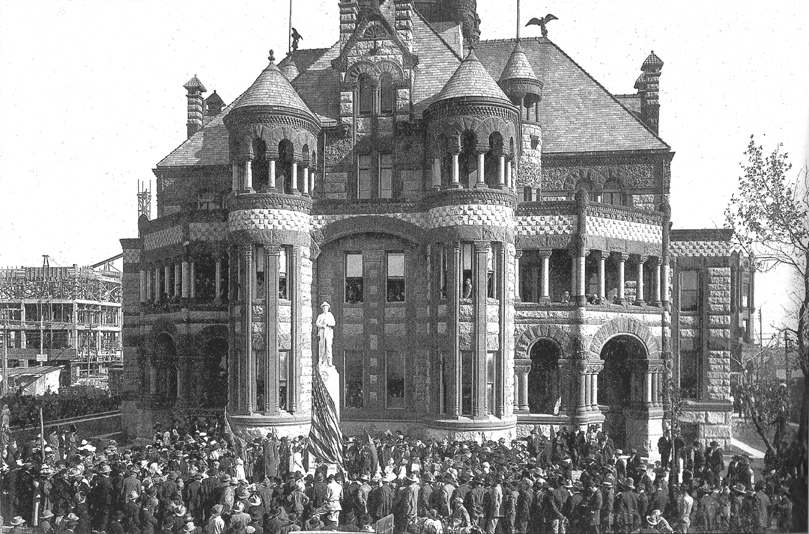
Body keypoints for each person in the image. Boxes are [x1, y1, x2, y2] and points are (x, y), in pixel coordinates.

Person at [315, 302, 336, 367]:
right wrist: (322, 325)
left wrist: (328, 324)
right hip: (322, 331)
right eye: (324, 308)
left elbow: (333, 323)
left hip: (328, 332)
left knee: (328, 346)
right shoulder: (320, 316)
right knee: (322, 346)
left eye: (326, 308)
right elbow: (317, 323)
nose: (325, 309)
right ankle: (321, 361)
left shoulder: (330, 315)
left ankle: (329, 361)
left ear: (328, 308)